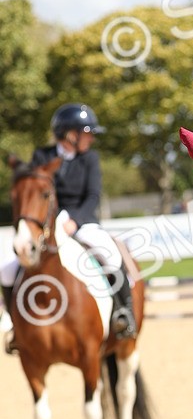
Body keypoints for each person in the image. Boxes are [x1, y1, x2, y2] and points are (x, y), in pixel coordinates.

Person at [0, 103, 137, 349]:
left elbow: (93, 196)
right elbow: (34, 193)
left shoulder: (90, 160)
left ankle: (123, 312)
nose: (91, 138)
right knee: (7, 270)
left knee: (109, 253)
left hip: (81, 222)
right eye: (87, 132)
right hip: (48, 225)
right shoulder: (42, 156)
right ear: (70, 134)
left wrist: (75, 219)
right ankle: (14, 323)